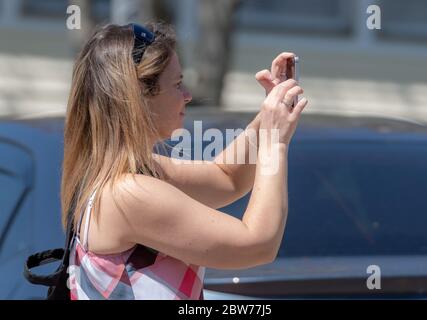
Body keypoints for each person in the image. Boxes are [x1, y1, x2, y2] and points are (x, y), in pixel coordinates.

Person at [62, 22, 308, 300]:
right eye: (178, 84)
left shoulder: (128, 173)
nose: (188, 95)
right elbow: (258, 245)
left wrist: (269, 114)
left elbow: (226, 177)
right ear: (138, 98)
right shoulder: (127, 193)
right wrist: (275, 143)